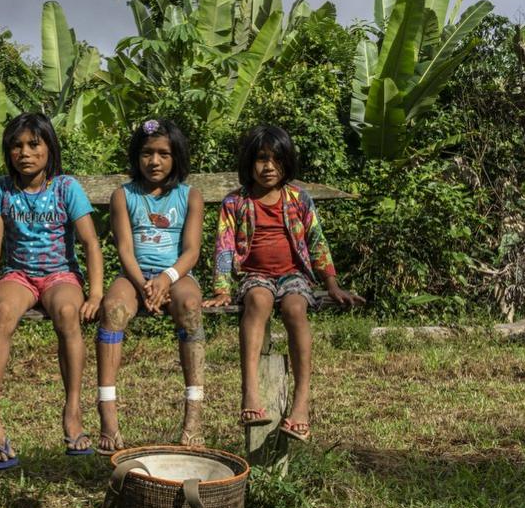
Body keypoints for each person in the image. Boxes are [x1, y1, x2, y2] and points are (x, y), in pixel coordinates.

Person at [204, 125, 363, 441]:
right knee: (259, 301)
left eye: (276, 160)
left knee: (294, 310)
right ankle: (250, 392)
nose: (268, 167)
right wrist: (222, 288)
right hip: (255, 276)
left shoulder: (299, 199)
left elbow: (317, 241)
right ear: (249, 161)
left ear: (287, 162)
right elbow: (223, 245)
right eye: (261, 159)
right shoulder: (236, 202)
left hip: (295, 275)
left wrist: (330, 284)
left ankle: (300, 404)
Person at [0, 113, 104, 468]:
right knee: (2, 313)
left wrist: (95, 293)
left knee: (67, 313)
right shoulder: (2, 189)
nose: (25, 153)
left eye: (34, 144)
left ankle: (73, 409)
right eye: (16, 146)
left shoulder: (66, 188)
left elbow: (90, 242)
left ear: (49, 147)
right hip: (17, 275)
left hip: (60, 275)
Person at [95, 119, 205, 453]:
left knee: (189, 308)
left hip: (175, 275)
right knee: (112, 310)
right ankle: (108, 418)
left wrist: (165, 279)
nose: (154, 161)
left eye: (163, 154)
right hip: (134, 276)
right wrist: (145, 284)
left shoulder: (189, 196)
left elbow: (191, 251)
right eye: (146, 153)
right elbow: (125, 249)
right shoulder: (123, 195)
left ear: (177, 158)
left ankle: (194, 420)